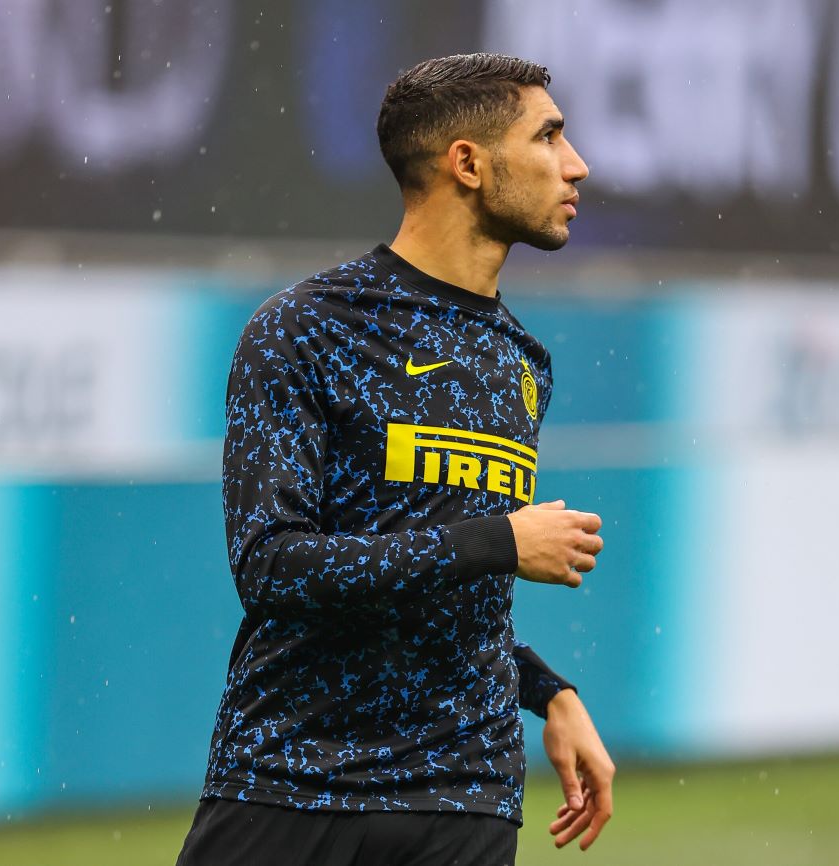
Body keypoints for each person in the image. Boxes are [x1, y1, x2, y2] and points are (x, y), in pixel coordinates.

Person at [177, 53, 613, 866]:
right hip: (295, 783)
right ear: (468, 164)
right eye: (548, 136)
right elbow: (271, 568)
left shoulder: (522, 362)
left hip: (465, 797)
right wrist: (499, 541)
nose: (576, 163)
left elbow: (450, 592)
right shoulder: (307, 328)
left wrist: (546, 690)